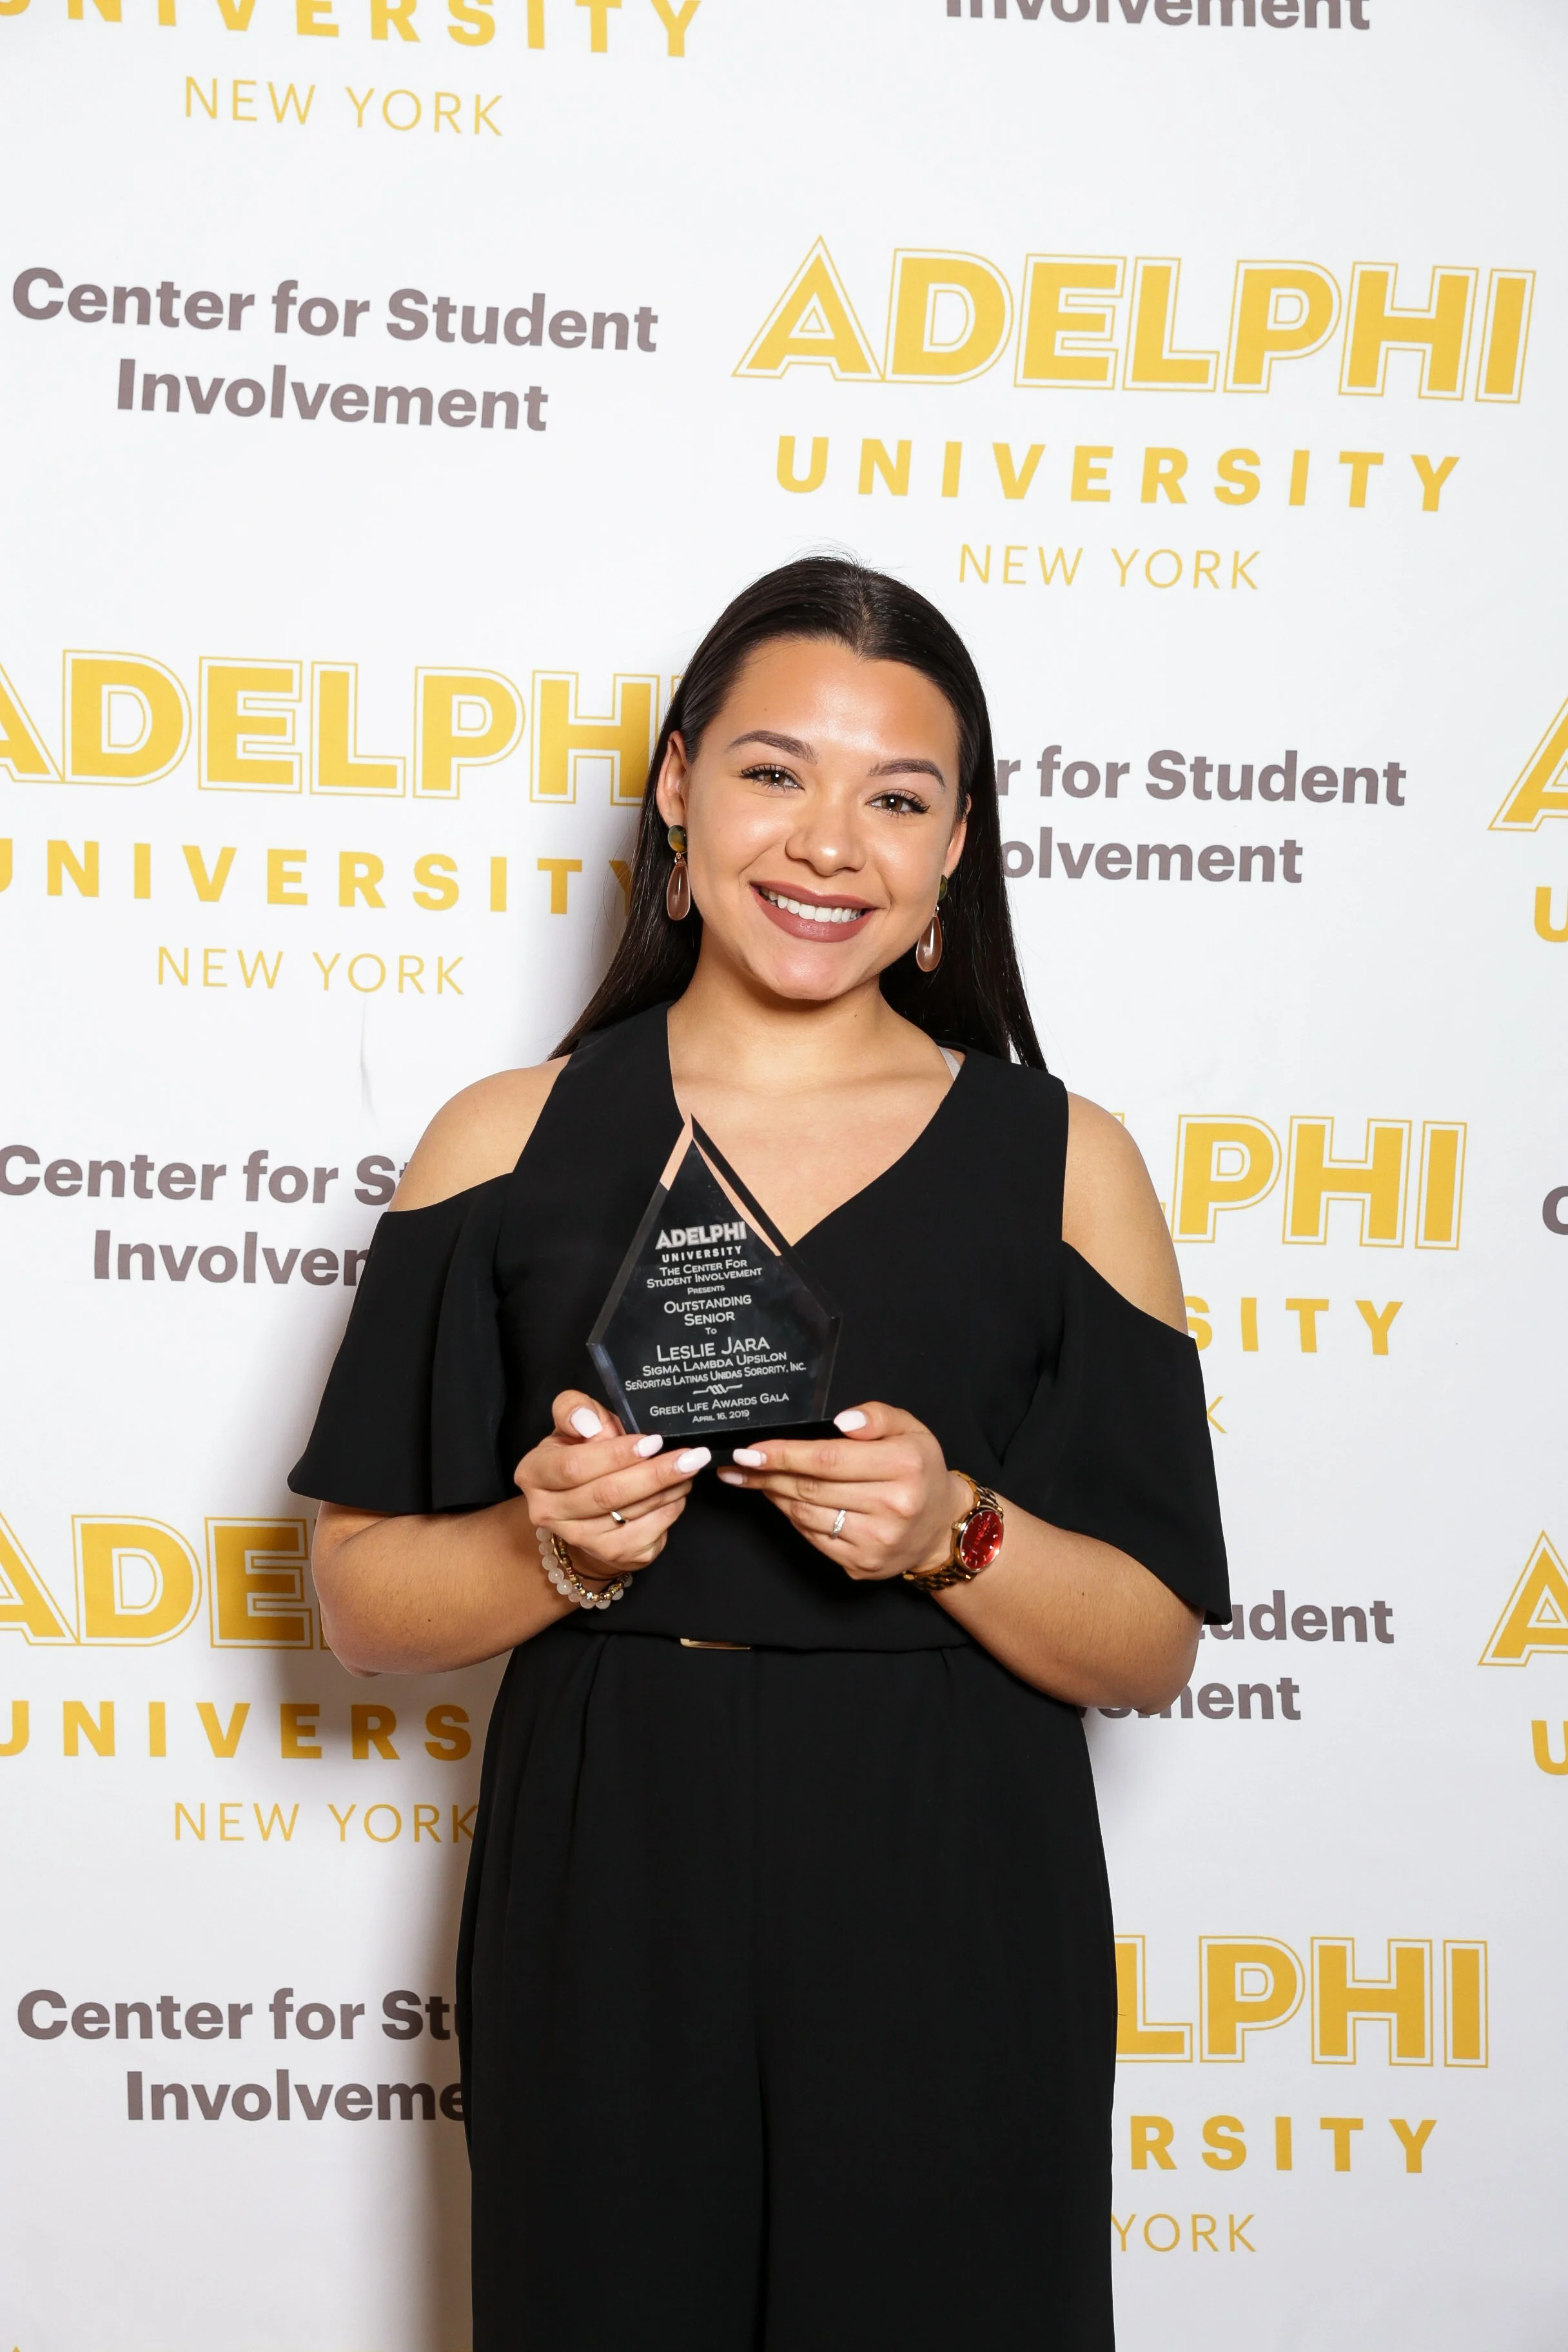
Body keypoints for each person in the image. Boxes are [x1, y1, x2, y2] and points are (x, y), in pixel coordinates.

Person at [292, 556, 1228, 2351]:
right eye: (775, 772)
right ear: (675, 786)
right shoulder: (502, 1143)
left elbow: (1154, 1643)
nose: (829, 843)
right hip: (609, 1851)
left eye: (901, 796)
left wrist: (957, 1532)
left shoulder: (1066, 1159)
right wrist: (549, 1546)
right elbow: (360, 1606)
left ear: (960, 847)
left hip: (952, 1859)